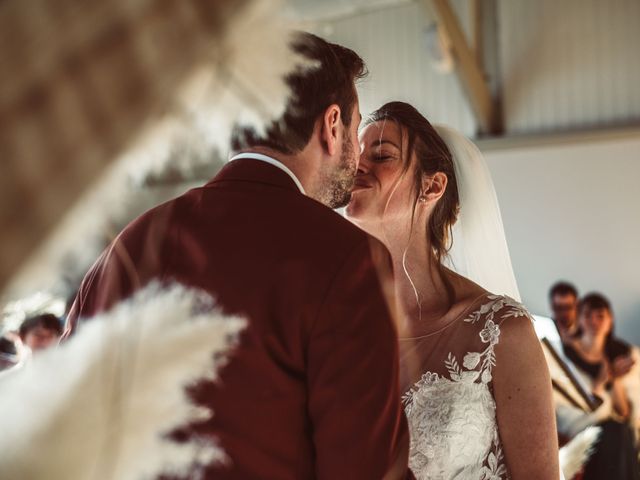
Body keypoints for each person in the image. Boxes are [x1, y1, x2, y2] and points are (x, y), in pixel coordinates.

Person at [64, 33, 412, 479]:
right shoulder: (348, 258)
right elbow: (365, 468)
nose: (358, 153)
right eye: (355, 128)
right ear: (331, 125)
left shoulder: (128, 247)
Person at [346, 101, 559, 479]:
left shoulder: (502, 332)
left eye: (381, 155)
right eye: (356, 154)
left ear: (432, 186)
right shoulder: (336, 325)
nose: (359, 165)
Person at [562, 293, 640, 480]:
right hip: (583, 429)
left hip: (617, 434)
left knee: (620, 432)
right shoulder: (565, 356)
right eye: (587, 315)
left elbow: (624, 413)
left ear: (610, 319)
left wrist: (615, 379)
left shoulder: (621, 354)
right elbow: (566, 409)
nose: (594, 322)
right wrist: (599, 384)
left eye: (600, 316)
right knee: (615, 432)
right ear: (579, 319)